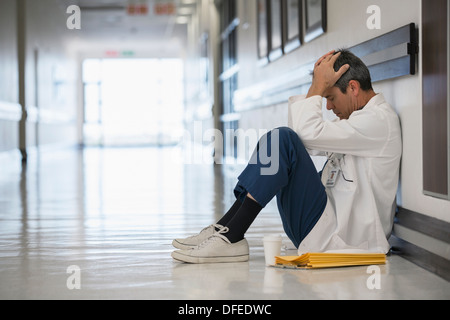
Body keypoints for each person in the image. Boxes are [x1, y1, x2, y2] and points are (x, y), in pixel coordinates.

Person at [171, 49, 402, 264]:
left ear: (352, 88)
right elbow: (303, 139)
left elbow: (303, 136)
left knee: (282, 139)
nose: (329, 107)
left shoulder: (378, 121)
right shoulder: (357, 121)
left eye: (330, 97)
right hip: (324, 226)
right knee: (279, 141)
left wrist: (317, 85)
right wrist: (318, 86)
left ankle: (232, 235)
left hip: (347, 240)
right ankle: (225, 229)